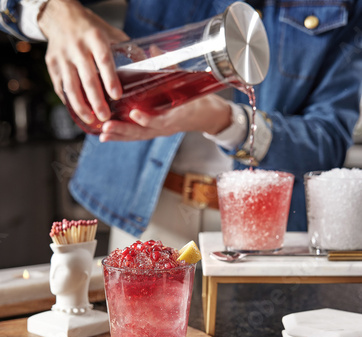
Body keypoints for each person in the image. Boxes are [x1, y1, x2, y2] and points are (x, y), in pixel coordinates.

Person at [1, 0, 361, 249]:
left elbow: (327, 145)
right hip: (152, 212)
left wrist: (219, 119)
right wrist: (55, 13)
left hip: (267, 227)